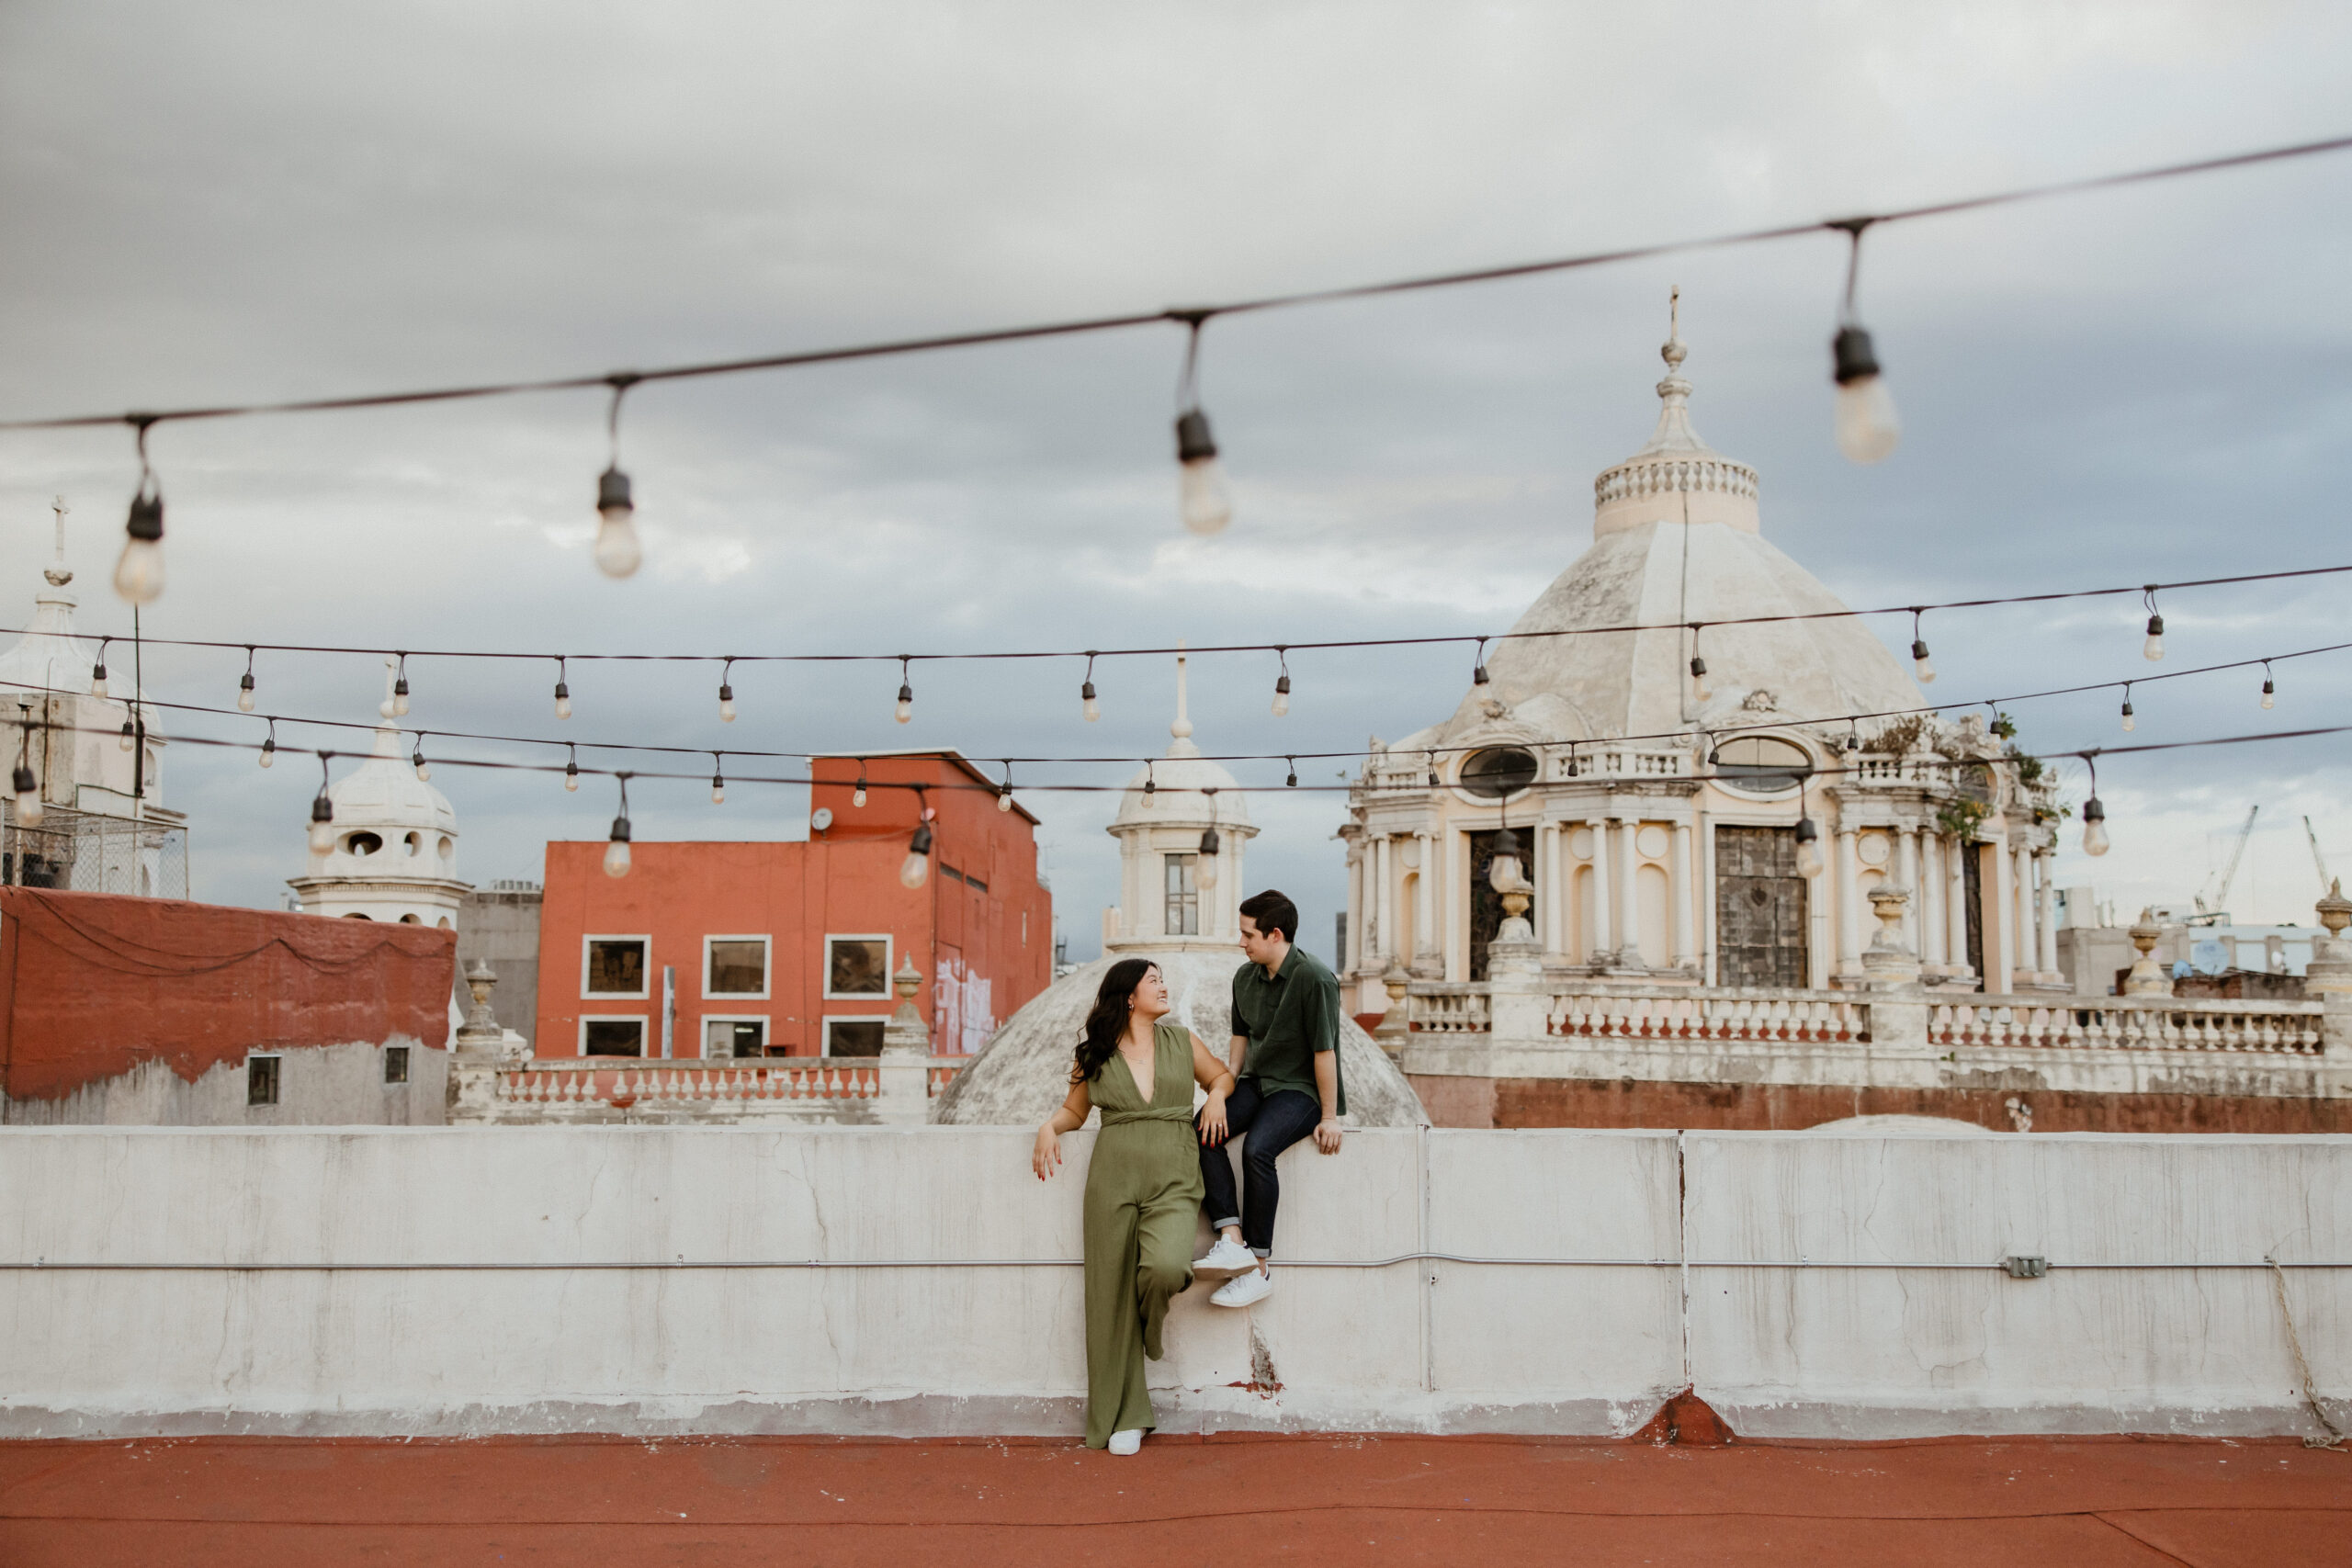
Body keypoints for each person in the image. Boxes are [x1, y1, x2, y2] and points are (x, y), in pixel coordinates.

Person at [1033, 958, 1237, 1455]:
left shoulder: (1181, 1041)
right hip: (1112, 1177)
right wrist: (1048, 1128)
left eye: (1162, 980)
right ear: (1129, 996)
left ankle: (1151, 1329)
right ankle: (1125, 1416)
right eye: (1154, 982)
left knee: (1164, 1268)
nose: (1164, 988)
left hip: (1174, 1175)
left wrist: (1215, 1098)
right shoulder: (1095, 1053)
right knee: (1107, 1299)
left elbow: (1222, 1076)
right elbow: (1076, 1112)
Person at [1192, 888, 1345, 1308]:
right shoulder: (1244, 978)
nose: (1241, 943)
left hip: (1300, 1090)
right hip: (1258, 1083)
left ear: (1275, 935)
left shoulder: (1315, 977)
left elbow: (1324, 1051)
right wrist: (1223, 1091)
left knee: (1258, 1149)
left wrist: (1329, 1116)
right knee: (1201, 1130)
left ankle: (1259, 1268)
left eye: (1248, 935)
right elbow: (1240, 1039)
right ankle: (1232, 1238)